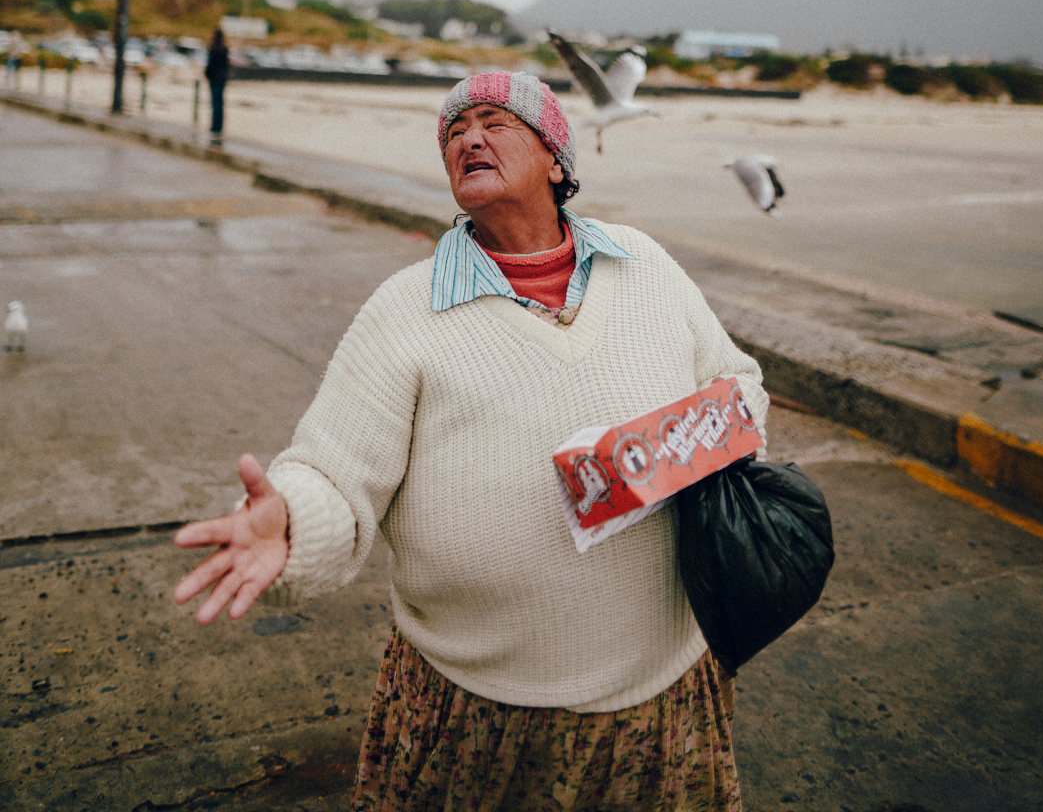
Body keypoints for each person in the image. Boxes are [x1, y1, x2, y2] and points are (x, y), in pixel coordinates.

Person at [173, 71, 768, 811]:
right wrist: (291, 521)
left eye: (493, 121)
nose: (469, 138)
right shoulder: (405, 308)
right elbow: (335, 471)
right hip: (477, 710)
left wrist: (682, 445)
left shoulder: (642, 264)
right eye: (453, 132)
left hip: (664, 687)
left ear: (557, 159)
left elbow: (735, 381)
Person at [204, 28, 229, 142]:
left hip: (214, 79)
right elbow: (227, 65)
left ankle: (214, 129)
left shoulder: (213, 48)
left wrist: (208, 76)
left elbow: (209, 65)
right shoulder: (224, 49)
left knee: (215, 104)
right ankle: (219, 129)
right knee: (220, 105)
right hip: (222, 80)